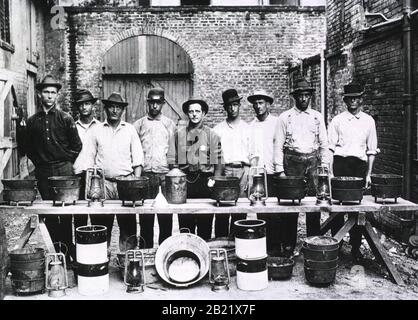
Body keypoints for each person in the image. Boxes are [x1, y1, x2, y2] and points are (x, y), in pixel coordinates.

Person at [74, 92, 144, 252]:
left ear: (122, 110)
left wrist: (134, 186)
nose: (114, 110)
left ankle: (127, 262)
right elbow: (88, 159)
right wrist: (91, 186)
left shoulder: (130, 130)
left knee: (128, 227)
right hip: (102, 184)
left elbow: (138, 160)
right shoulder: (96, 130)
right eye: (111, 107)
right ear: (105, 109)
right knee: (101, 225)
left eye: (118, 107)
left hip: (126, 184)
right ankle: (100, 261)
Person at [25, 75, 82, 263]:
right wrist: (41, 163)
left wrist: (65, 161)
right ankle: (55, 251)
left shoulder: (66, 118)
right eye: (46, 92)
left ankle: (67, 252)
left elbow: (77, 145)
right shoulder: (32, 121)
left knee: (65, 213)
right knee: (49, 213)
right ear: (39, 94)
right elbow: (29, 148)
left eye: (53, 93)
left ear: (57, 95)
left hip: (64, 171)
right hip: (43, 173)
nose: (49, 96)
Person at [275, 78, 329, 256]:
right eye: (300, 95)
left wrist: (325, 167)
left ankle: (312, 243)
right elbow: (278, 145)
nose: (303, 99)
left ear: (310, 97)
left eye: (306, 95)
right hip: (292, 162)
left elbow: (323, 144)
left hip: (313, 162)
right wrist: (280, 170)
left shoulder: (317, 117)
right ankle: (289, 245)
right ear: (295, 97)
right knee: (291, 205)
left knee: (313, 205)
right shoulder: (285, 117)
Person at [328, 82, 378, 261]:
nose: (353, 102)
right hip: (341, 164)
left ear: (361, 99)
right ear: (345, 100)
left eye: (356, 98)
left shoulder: (368, 121)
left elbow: (371, 150)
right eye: (350, 99)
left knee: (356, 208)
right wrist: (331, 172)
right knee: (337, 207)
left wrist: (368, 174)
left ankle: (355, 248)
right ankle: (336, 245)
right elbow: (331, 149)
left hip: (359, 166)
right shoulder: (337, 120)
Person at [169, 98, 223, 240]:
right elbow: (173, 160)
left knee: (205, 223)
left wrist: (214, 182)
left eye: (197, 111)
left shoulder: (212, 135)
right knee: (186, 225)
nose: (194, 114)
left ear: (203, 113)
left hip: (205, 181)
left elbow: (218, 162)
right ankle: (188, 254)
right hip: (185, 182)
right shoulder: (179, 135)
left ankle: (202, 253)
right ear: (187, 113)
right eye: (191, 111)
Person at [133, 88, 176, 248]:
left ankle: (165, 251)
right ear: (148, 103)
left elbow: (173, 150)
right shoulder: (139, 124)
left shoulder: (169, 124)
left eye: (158, 103)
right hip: (146, 175)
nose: (155, 106)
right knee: (146, 218)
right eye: (152, 102)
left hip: (164, 175)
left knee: (165, 217)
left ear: (163, 104)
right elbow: (134, 150)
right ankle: (146, 252)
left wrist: (173, 172)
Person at [213, 89, 252, 238]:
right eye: (229, 105)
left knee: (240, 210)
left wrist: (249, 174)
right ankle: (221, 245)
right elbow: (216, 156)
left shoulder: (247, 128)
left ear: (239, 105)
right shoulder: (218, 130)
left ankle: (237, 245)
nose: (232, 108)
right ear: (225, 108)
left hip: (243, 171)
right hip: (225, 171)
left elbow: (253, 154)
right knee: (223, 210)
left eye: (235, 104)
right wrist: (218, 177)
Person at [248, 89, 282, 256]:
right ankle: (265, 247)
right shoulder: (251, 126)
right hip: (258, 174)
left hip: (274, 172)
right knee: (261, 210)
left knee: (275, 212)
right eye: (255, 103)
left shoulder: (277, 123)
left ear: (268, 104)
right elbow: (252, 152)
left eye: (261, 103)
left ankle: (277, 247)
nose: (258, 106)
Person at [73, 89, 101, 230]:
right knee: (79, 217)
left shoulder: (100, 127)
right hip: (77, 175)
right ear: (78, 107)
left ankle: (98, 248)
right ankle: (80, 249)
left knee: (97, 216)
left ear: (92, 106)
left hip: (95, 176)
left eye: (87, 104)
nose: (84, 107)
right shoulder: (72, 127)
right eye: (81, 104)